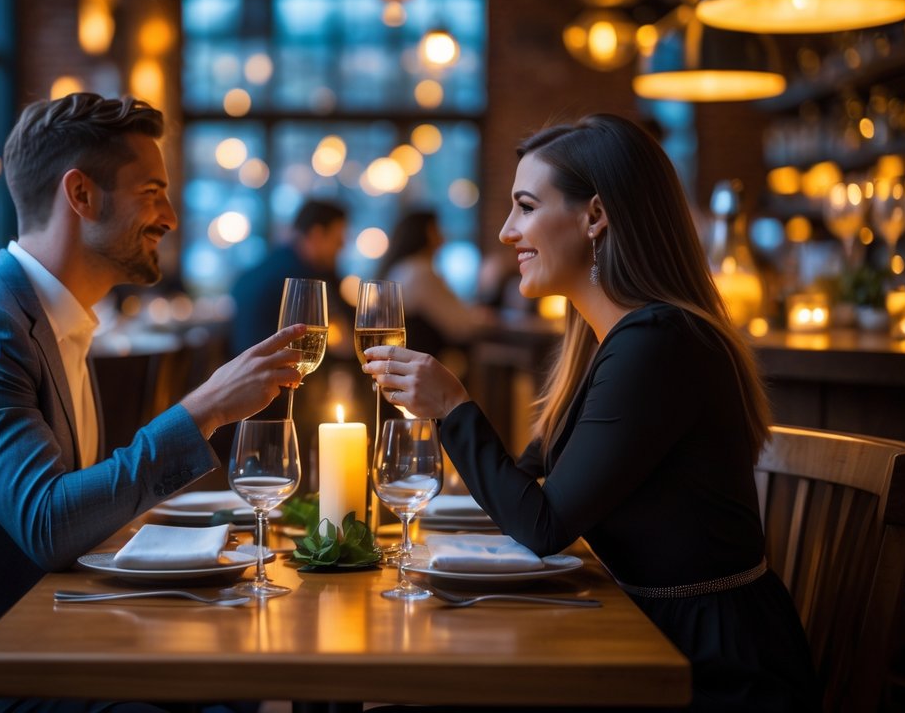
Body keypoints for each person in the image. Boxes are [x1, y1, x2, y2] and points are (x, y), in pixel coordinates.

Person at [0, 93, 305, 712]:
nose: (170, 216)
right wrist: (206, 407)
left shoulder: (51, 323)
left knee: (232, 689)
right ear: (80, 196)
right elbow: (49, 525)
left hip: (10, 638)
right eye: (151, 192)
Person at [361, 114, 821, 712]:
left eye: (525, 207)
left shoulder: (659, 343)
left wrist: (452, 406)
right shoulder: (607, 343)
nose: (505, 232)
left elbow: (545, 526)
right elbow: (525, 491)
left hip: (710, 671)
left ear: (595, 216)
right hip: (645, 634)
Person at [227, 198, 349, 358]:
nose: (342, 247)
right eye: (337, 240)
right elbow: (338, 343)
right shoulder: (301, 281)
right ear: (317, 234)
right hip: (275, 375)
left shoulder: (265, 268)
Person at [375, 208, 491, 358]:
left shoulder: (402, 269)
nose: (443, 237)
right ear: (427, 233)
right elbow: (458, 325)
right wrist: (485, 319)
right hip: (423, 365)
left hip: (406, 364)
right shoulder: (420, 273)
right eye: (438, 229)